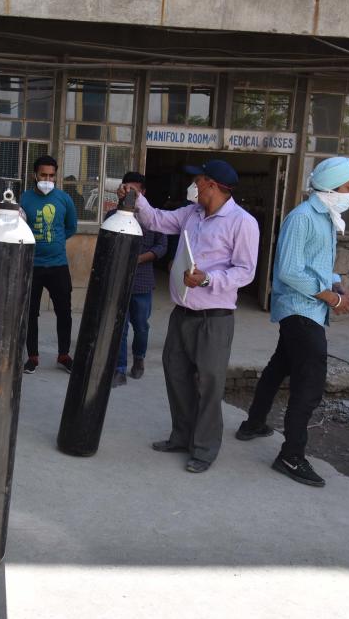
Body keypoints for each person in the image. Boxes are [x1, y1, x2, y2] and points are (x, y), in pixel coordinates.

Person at [118, 159, 259, 473]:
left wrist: (208, 280)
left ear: (210, 184)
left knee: (209, 383)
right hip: (183, 312)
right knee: (176, 375)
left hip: (215, 317)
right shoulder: (191, 214)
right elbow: (156, 220)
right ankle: (182, 436)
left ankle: (205, 449)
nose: (193, 186)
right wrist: (135, 197)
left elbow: (246, 271)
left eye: (197, 180)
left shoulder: (242, 222)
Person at [236, 157, 349, 487]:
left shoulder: (326, 217)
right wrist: (332, 299)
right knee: (309, 385)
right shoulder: (303, 218)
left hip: (309, 309)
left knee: (280, 366)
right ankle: (291, 456)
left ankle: (254, 424)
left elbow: (316, 264)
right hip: (300, 311)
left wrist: (338, 285)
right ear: (332, 188)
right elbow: (290, 271)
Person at [104, 172, 167, 388]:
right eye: (126, 189)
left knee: (141, 326)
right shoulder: (112, 216)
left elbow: (161, 247)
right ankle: (119, 369)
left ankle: (139, 358)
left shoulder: (153, 219)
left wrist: (138, 259)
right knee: (120, 327)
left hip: (142, 282)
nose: (129, 193)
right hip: (119, 282)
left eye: (134, 190)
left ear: (143, 193)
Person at [21, 155, 78, 374]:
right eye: (43, 175)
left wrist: (55, 242)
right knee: (30, 313)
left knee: (64, 312)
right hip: (32, 266)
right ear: (35, 175)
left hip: (58, 266)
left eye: (51, 175)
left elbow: (71, 227)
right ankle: (32, 357)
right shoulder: (24, 199)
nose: (47, 179)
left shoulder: (64, 199)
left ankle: (64, 355)